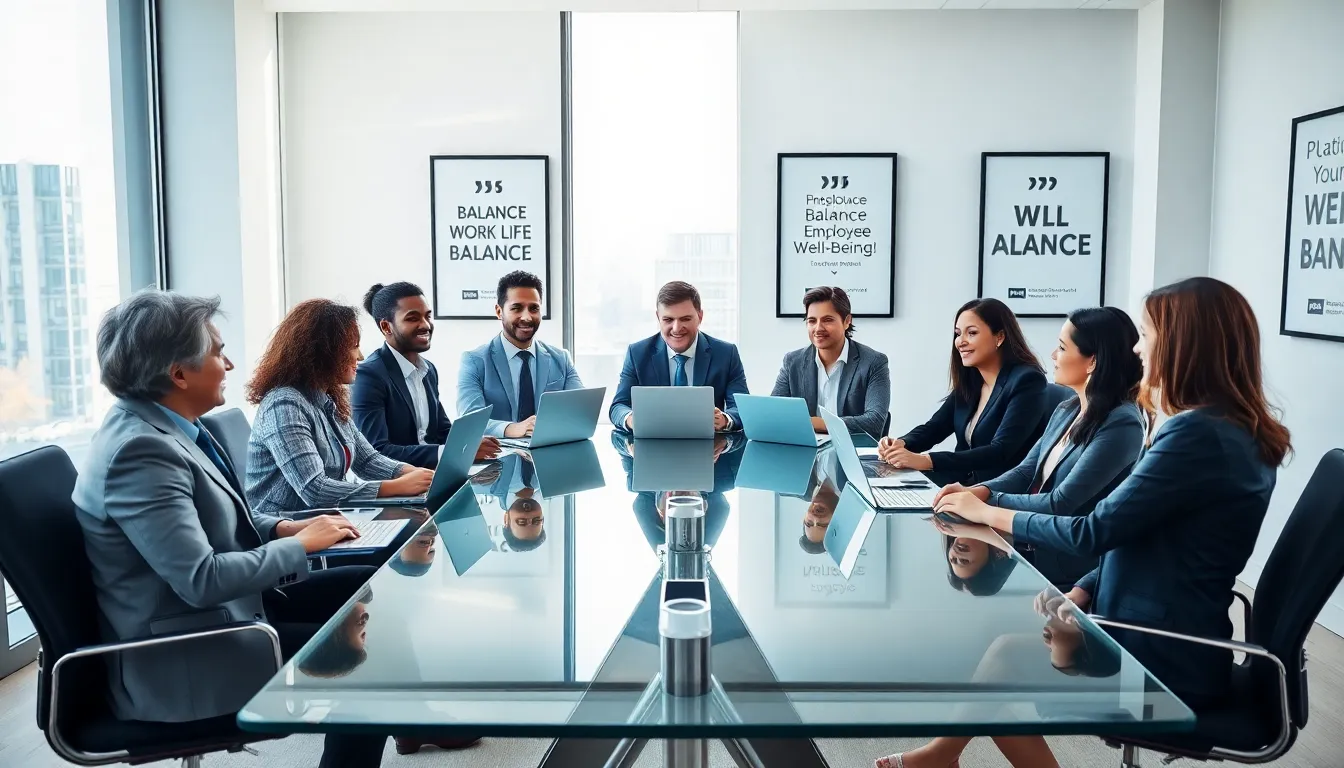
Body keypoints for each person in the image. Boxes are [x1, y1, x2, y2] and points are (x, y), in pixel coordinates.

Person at [899, 277, 1292, 768]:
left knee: (995, 660)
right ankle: (939, 756)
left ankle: (938, 756)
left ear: (1184, 343)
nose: (1138, 348)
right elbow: (1137, 534)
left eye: (1147, 334)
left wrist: (986, 511)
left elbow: (1092, 529)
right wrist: (1084, 589)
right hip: (1171, 632)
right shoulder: (1227, 429)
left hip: (1160, 656)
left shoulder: (1194, 435)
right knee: (995, 654)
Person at [71, 290, 388, 768]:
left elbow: (223, 518)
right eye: (219, 353)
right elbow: (201, 580)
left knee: (368, 590)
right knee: (370, 662)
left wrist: (284, 527)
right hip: (187, 654)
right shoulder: (141, 454)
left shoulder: (172, 429)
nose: (231, 364)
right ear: (178, 374)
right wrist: (300, 545)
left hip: (227, 615)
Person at [931, 307, 1147, 588]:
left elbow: (1060, 503)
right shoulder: (1067, 409)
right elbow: (1026, 471)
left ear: (1092, 361)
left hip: (1072, 571)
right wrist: (978, 490)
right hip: (1031, 548)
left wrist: (987, 502)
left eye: (1062, 348)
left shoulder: (1121, 423)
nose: (1053, 356)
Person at [246, 299, 435, 516]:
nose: (360, 356)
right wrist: (397, 486)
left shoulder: (328, 398)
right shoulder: (284, 405)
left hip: (326, 519)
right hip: (288, 527)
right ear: (323, 351)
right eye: (353, 346)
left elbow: (367, 460)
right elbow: (315, 490)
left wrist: (413, 474)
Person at [878, 298, 1047, 485]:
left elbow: (1001, 451)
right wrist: (901, 444)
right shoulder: (972, 380)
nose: (960, 342)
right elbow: (935, 427)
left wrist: (926, 461)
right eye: (958, 334)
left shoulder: (1027, 381)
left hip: (996, 489)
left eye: (972, 333)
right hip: (960, 482)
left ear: (999, 337)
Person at [352, 281, 499, 467]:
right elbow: (376, 452)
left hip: (435, 472)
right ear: (386, 327)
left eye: (427, 316)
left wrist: (471, 441)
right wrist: (453, 451)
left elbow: (442, 431)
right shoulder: (368, 375)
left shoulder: (428, 370)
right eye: (412, 318)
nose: (426, 325)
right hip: (401, 479)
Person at [457, 270, 584, 438]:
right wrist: (513, 428)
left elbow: (581, 413)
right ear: (499, 311)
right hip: (499, 452)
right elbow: (470, 420)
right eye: (516, 308)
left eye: (534, 308)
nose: (527, 317)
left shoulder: (561, 359)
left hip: (550, 449)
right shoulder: (474, 361)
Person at [610, 280, 749, 432]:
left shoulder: (726, 354)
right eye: (668, 320)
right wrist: (632, 419)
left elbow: (742, 408)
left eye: (685, 319)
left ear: (700, 316)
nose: (676, 328)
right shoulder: (637, 353)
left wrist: (724, 420)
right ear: (658, 317)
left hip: (708, 444)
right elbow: (618, 406)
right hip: (653, 442)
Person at [772, 286, 890, 436]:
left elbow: (875, 422)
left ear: (847, 321)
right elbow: (774, 413)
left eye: (827, 320)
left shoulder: (873, 362)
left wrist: (815, 423)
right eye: (812, 321)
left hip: (852, 447)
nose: (818, 328)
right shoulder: (793, 362)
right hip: (805, 446)